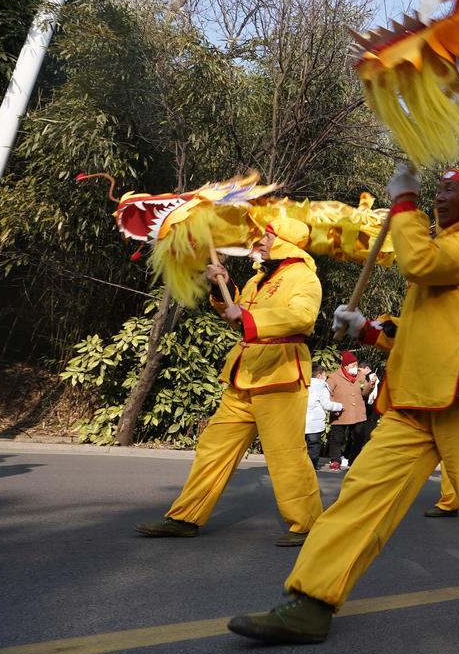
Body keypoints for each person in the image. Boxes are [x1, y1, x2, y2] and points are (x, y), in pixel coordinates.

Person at [228, 165, 459, 643]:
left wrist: (404, 201)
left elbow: (421, 265)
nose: (440, 197)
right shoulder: (443, 251)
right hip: (414, 397)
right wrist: (368, 329)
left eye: (450, 189)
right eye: (435, 190)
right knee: (362, 493)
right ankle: (311, 600)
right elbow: (419, 333)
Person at [136, 218, 323, 547]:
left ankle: (307, 524)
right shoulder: (258, 279)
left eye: (268, 236)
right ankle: (185, 517)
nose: (260, 242)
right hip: (244, 374)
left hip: (279, 375)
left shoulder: (304, 277)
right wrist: (221, 287)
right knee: (213, 447)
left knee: (285, 453)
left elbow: (302, 318)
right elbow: (237, 310)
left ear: (286, 242)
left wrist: (248, 318)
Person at [324, 351, 371, 471]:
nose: (356, 368)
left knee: (358, 437)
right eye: (353, 365)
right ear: (345, 366)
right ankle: (335, 460)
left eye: (356, 365)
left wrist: (370, 385)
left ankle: (353, 460)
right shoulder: (334, 376)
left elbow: (364, 393)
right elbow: (327, 393)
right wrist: (333, 406)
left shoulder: (360, 376)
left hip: (358, 412)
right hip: (340, 412)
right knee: (337, 438)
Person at [306, 366, 343, 469]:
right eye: (324, 375)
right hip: (314, 423)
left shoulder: (304, 384)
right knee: (314, 445)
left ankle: (301, 465)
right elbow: (326, 405)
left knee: (302, 446)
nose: (325, 377)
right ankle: (312, 466)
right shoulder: (321, 386)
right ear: (319, 375)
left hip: (301, 421)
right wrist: (339, 406)